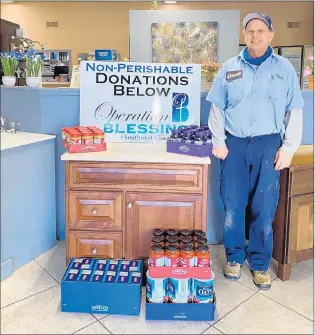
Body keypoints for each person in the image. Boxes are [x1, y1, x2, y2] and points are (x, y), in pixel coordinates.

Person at [207, 12, 304, 289]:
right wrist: (219, 141)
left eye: (261, 30)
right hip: (234, 145)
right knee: (233, 205)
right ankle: (235, 258)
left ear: (271, 34)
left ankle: (260, 263)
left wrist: (288, 148)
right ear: (244, 34)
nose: (255, 35)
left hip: (267, 145)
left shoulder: (284, 68)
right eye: (250, 30)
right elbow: (217, 108)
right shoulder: (228, 68)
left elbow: (293, 110)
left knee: (264, 207)